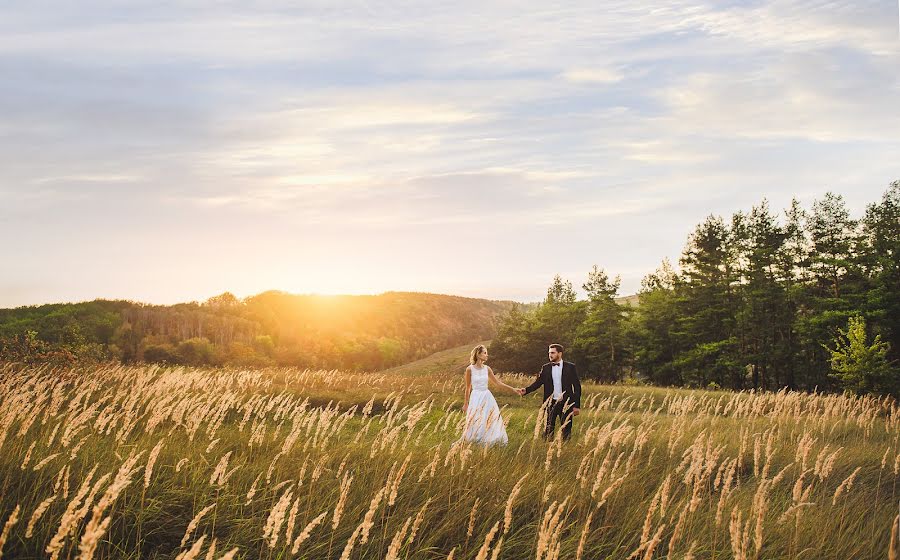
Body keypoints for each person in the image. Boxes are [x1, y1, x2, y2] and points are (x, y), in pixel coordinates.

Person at [517, 344, 581, 441]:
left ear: (560, 353)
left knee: (566, 430)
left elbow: (577, 387)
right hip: (550, 403)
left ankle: (565, 450)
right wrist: (526, 390)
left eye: (552, 353)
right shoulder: (546, 368)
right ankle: (547, 449)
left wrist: (576, 405)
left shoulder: (570, 367)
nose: (550, 355)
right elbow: (538, 383)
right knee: (548, 428)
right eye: (549, 353)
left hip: (567, 402)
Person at [461, 345, 518, 446]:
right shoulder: (469, 369)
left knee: (489, 418)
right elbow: (468, 388)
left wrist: (513, 389)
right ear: (478, 354)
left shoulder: (487, 369)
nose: (487, 355)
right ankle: (475, 439)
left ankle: (488, 439)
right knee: (476, 418)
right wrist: (466, 403)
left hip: (487, 397)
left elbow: (498, 383)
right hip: (475, 397)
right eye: (485, 353)